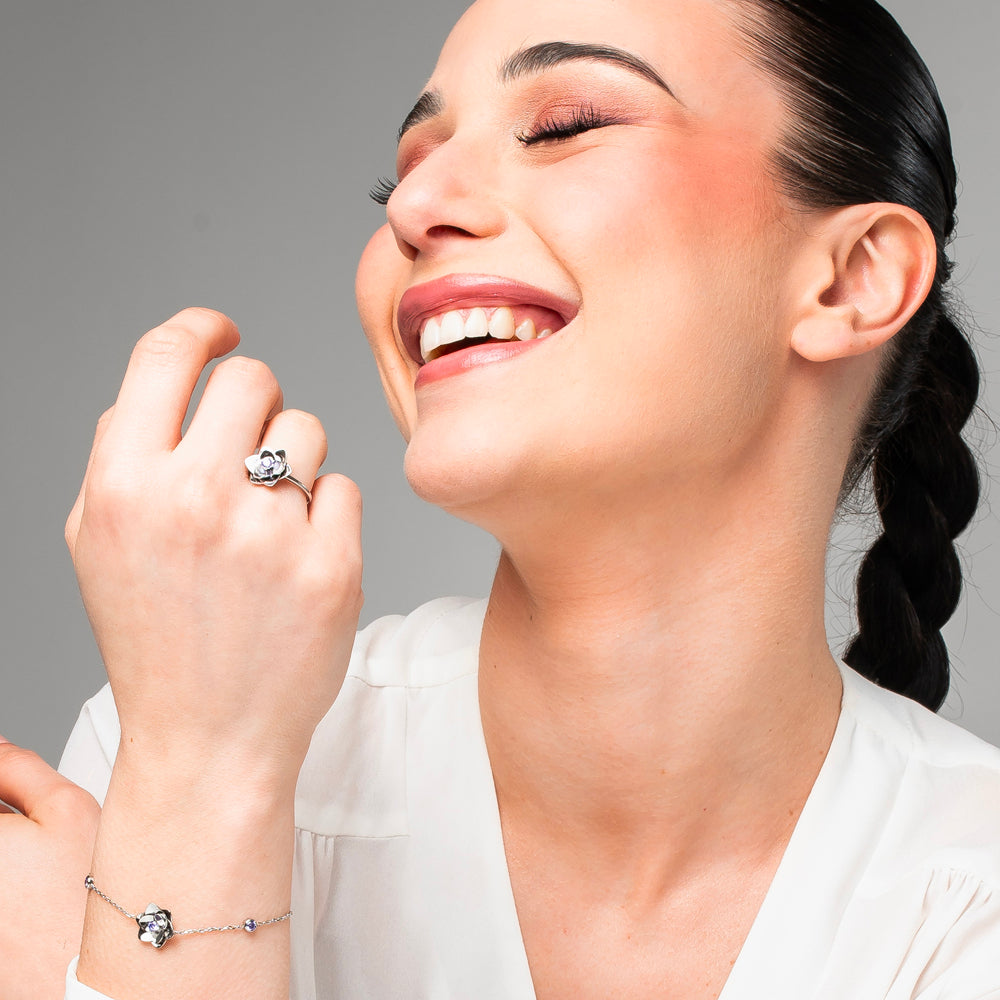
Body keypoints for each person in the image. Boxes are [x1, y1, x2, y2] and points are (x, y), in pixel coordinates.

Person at [0, 0, 997, 996]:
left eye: (566, 126)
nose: (410, 208)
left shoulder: (971, 886)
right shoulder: (182, 718)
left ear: (852, 280)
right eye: (402, 171)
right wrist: (201, 768)